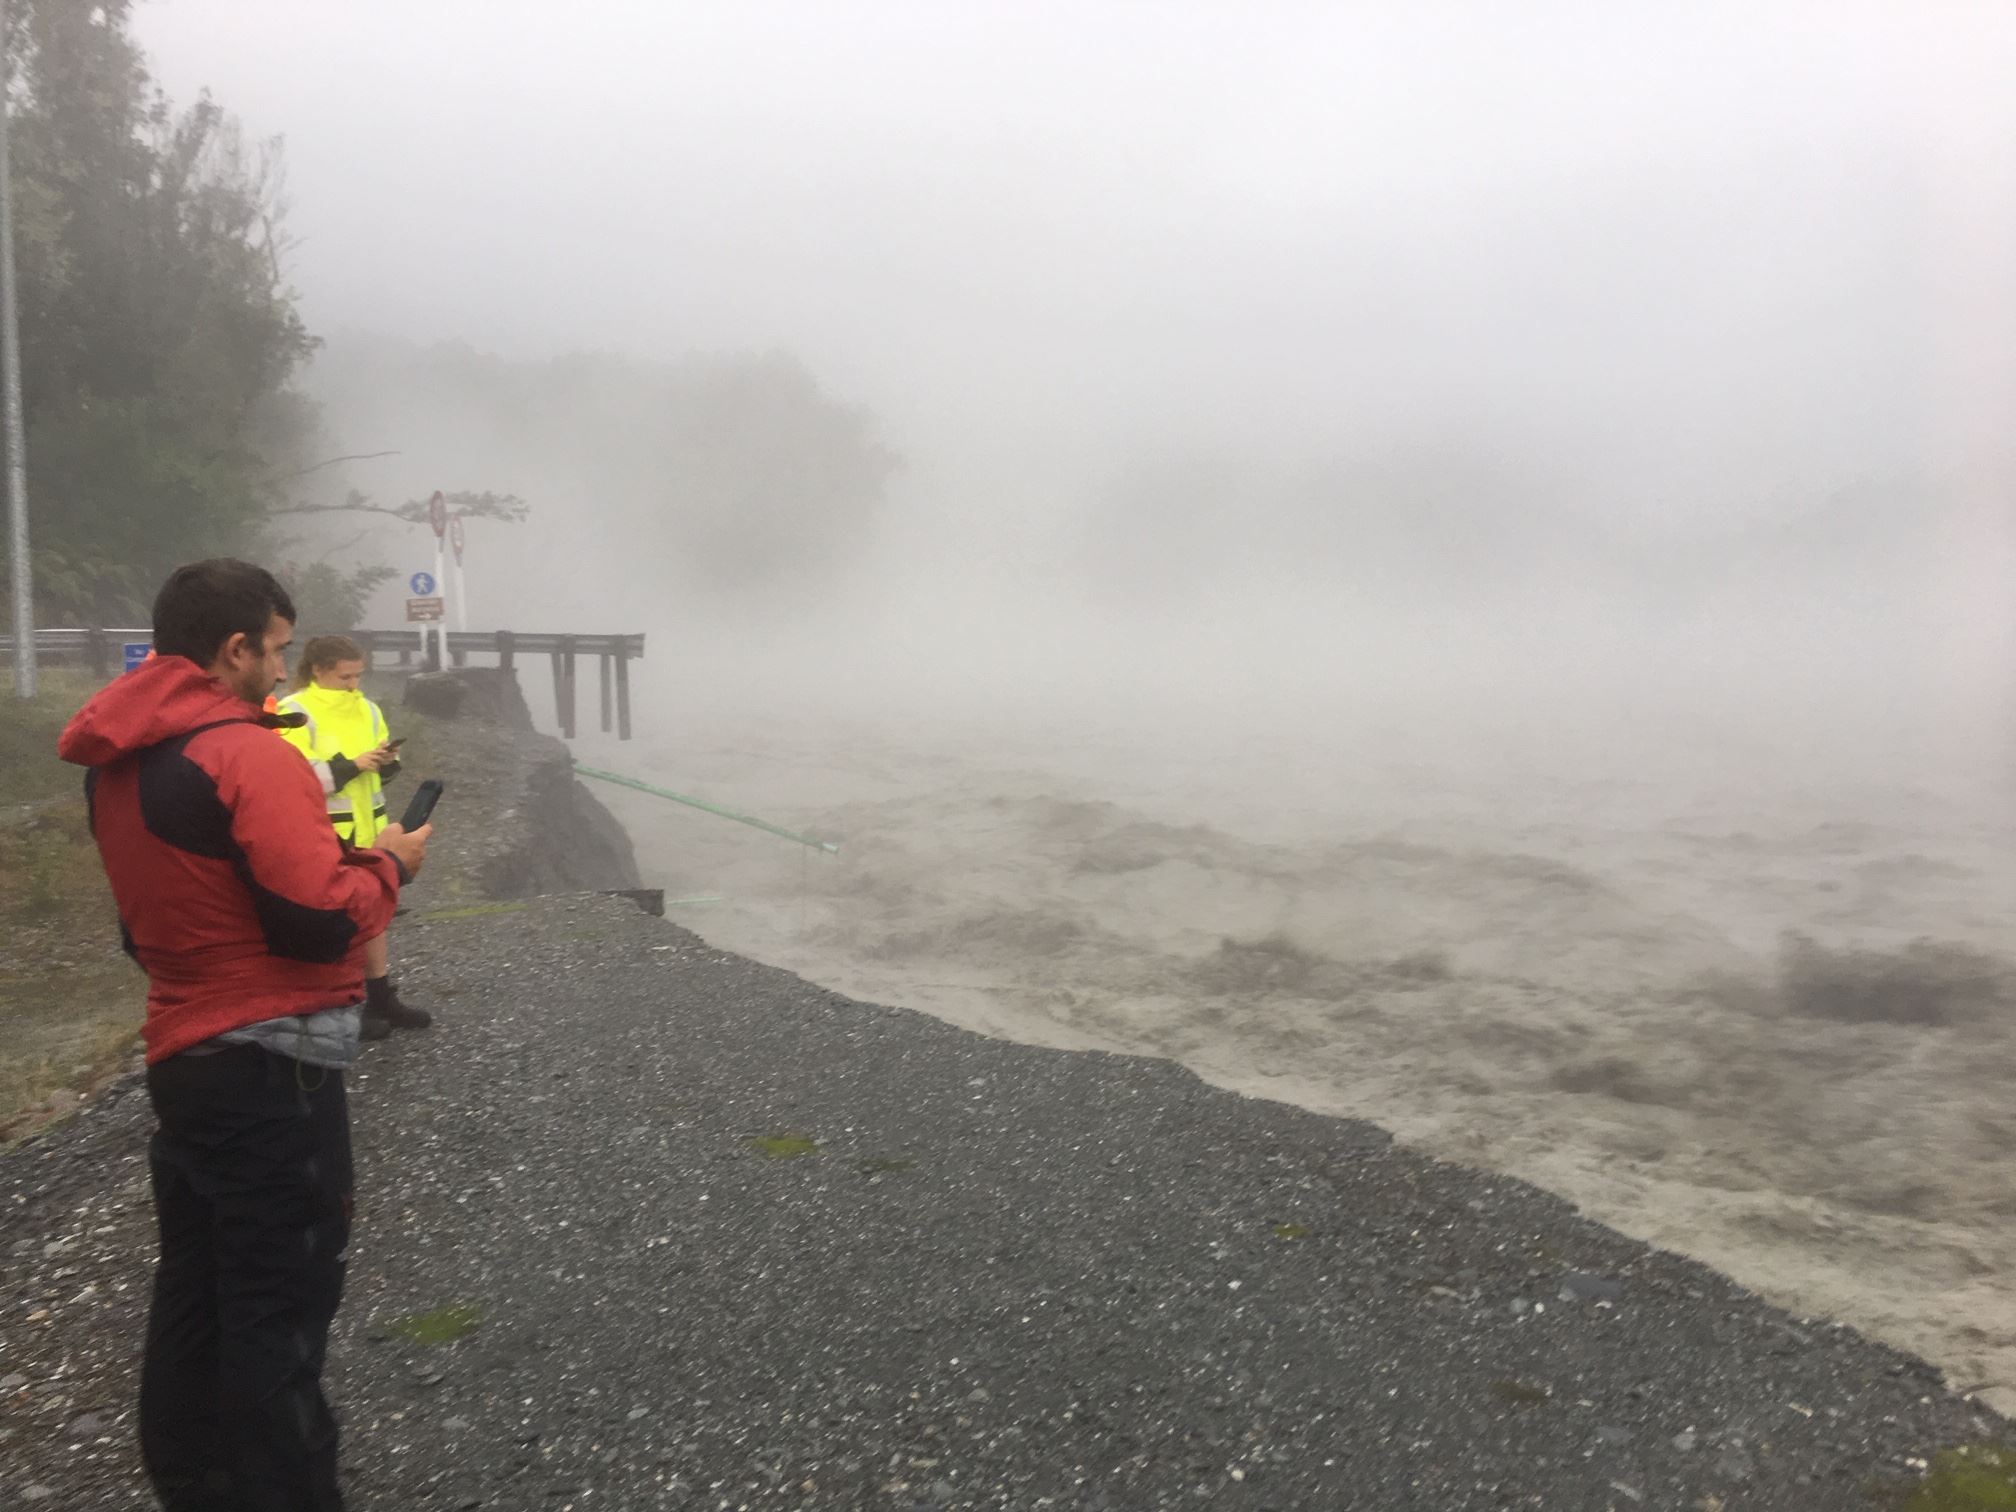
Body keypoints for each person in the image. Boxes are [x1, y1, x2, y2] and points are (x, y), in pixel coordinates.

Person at [58, 559, 431, 1512]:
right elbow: (315, 921)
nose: (278, 670)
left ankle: (194, 1479)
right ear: (233, 648)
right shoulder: (245, 751)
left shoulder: (124, 759)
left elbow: (162, 911)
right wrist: (387, 868)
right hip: (274, 1066)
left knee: (197, 1282)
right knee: (281, 1300)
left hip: (183, 1050)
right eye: (271, 651)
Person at [276, 634, 431, 1037]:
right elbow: (291, 777)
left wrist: (386, 762)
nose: (353, 685)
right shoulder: (294, 711)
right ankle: (346, 1009)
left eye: (358, 675)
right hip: (325, 834)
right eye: (345, 676)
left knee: (376, 916)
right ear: (318, 670)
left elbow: (382, 773)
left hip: (372, 829)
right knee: (338, 923)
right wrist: (353, 765)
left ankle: (380, 998)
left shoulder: (369, 709)